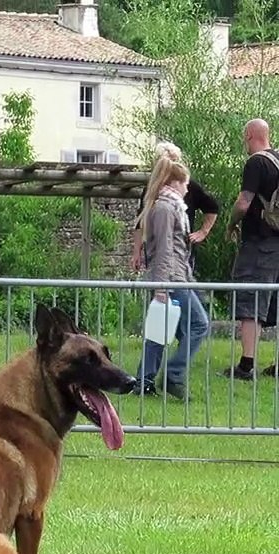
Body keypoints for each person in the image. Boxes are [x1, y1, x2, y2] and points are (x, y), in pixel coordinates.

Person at [130, 158, 208, 399]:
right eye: (185, 183)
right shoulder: (165, 209)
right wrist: (162, 286)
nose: (187, 188)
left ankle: (144, 381)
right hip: (172, 277)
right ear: (173, 183)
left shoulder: (165, 206)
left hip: (174, 275)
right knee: (199, 324)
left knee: (159, 330)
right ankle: (173, 375)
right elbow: (164, 249)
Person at [224, 119, 279, 380]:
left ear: (249, 135)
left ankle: (246, 366)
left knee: (251, 300)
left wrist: (231, 223)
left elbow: (244, 202)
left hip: (260, 242)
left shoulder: (257, 162)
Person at [130, 141, 219, 275]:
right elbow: (141, 221)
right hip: (156, 250)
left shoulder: (189, 186)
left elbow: (212, 207)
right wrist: (137, 251)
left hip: (181, 249)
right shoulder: (152, 189)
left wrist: (203, 232)